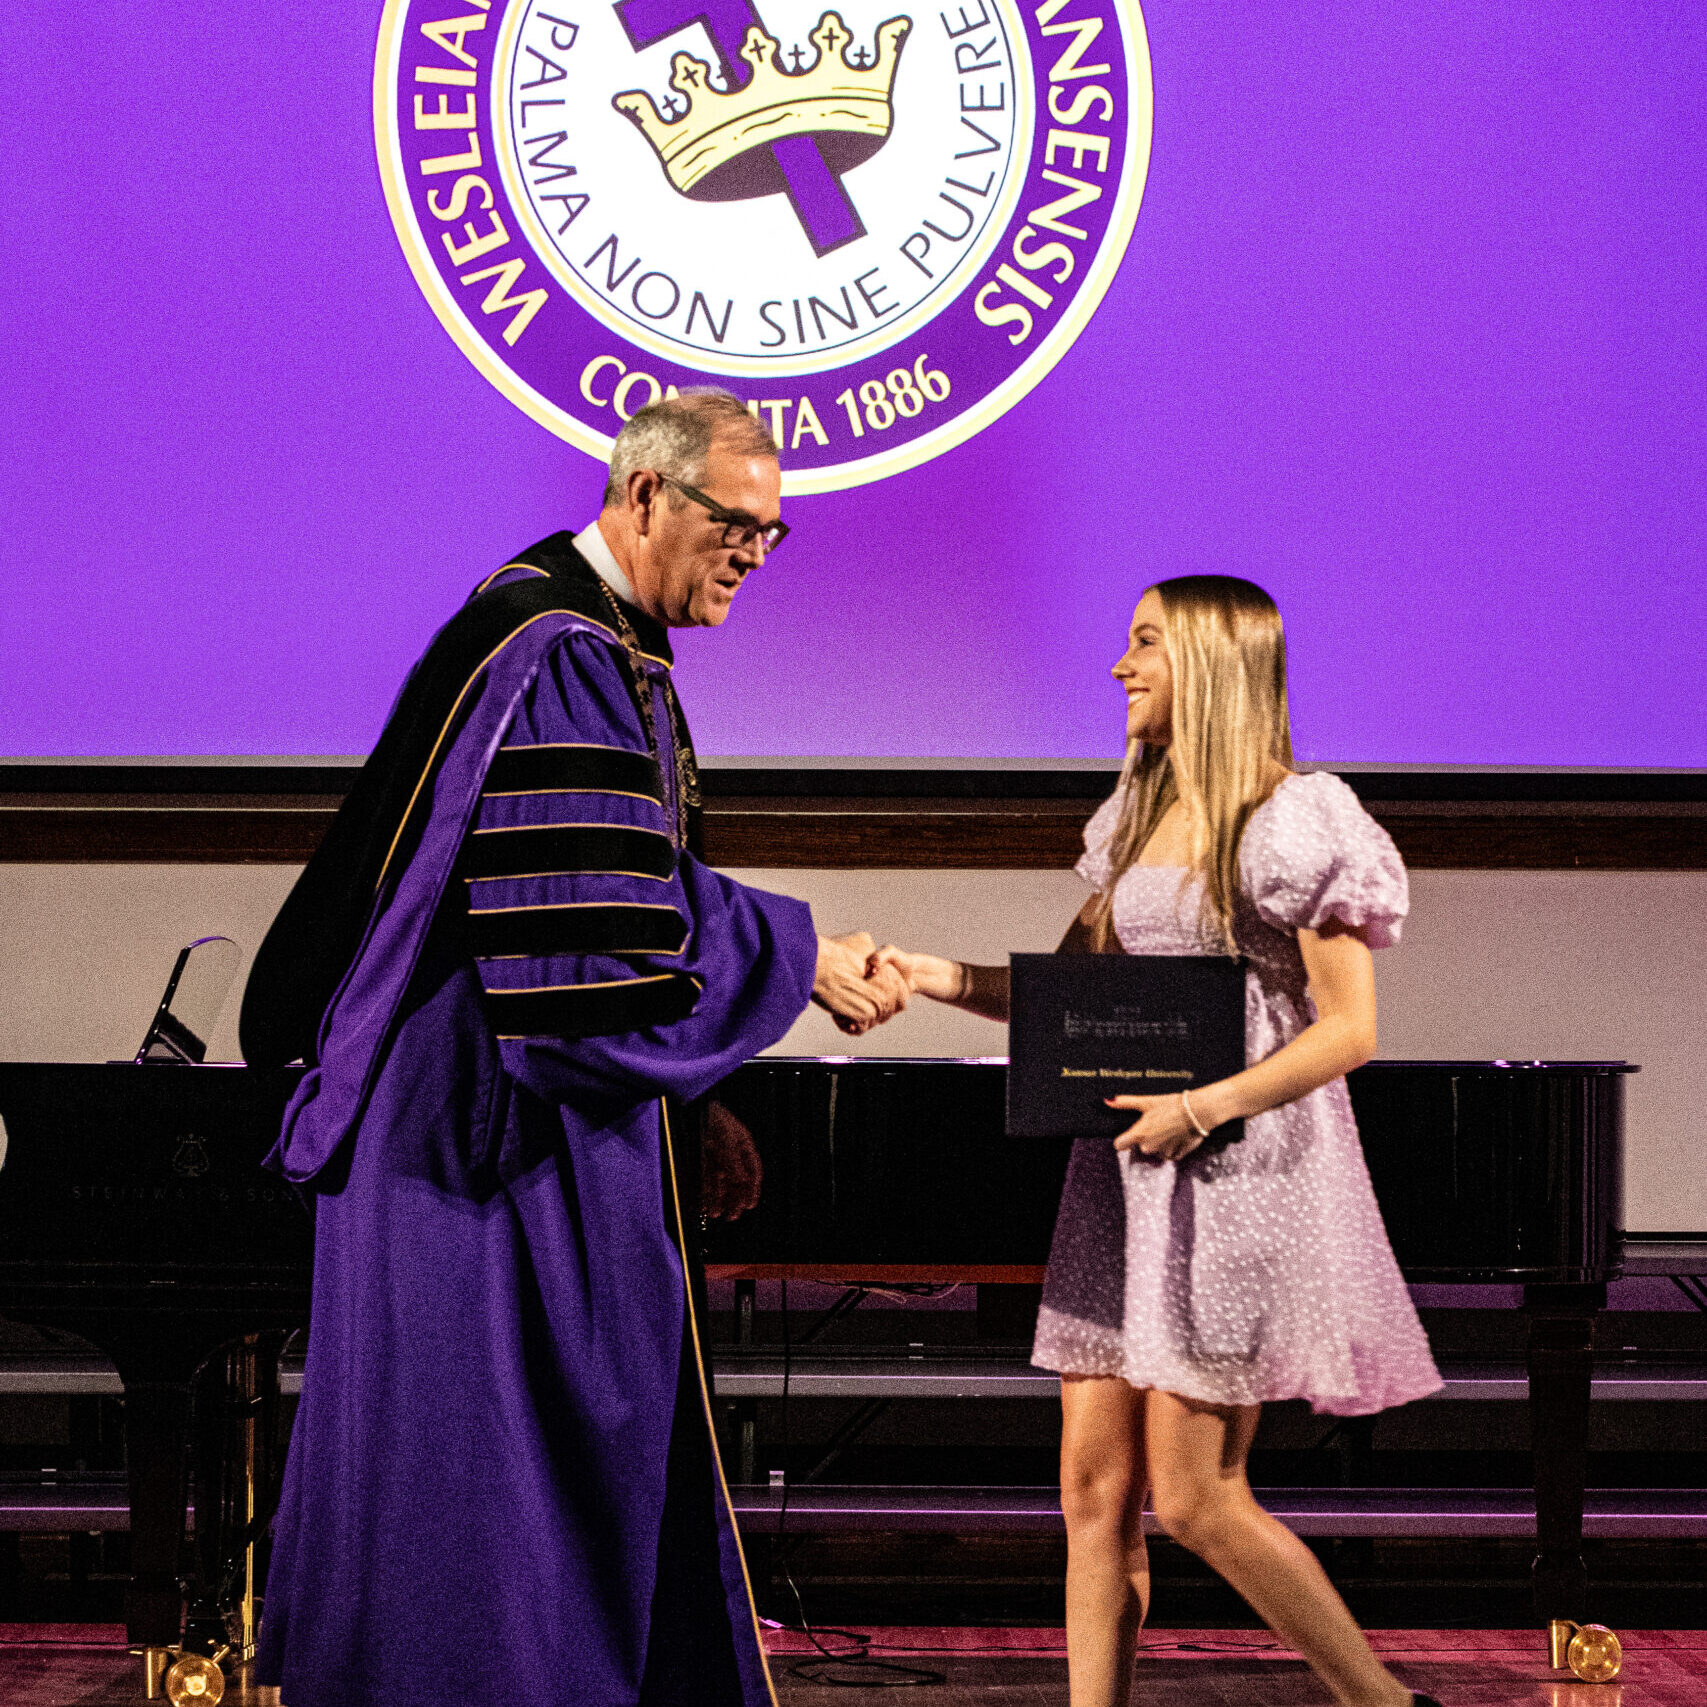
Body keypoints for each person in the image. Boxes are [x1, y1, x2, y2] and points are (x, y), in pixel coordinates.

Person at [239, 391, 906, 1707]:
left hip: (511, 1109)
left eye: (772, 538)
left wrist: (692, 1094)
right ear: (645, 495)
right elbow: (576, 954)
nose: (749, 556)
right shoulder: (554, 649)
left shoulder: (595, 640)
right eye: (734, 525)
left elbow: (607, 901)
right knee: (485, 1497)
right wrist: (796, 954)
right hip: (477, 1141)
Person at [872, 576, 1445, 1707]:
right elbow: (1071, 999)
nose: (1120, 667)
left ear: (1213, 663)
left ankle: (1384, 1704)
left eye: (1145, 644)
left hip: (1234, 1183)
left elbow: (1351, 1030)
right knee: (1093, 1494)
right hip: (1124, 1188)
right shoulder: (1136, 811)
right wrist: (934, 975)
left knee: (1194, 1499)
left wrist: (1204, 1105)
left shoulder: (1300, 818)